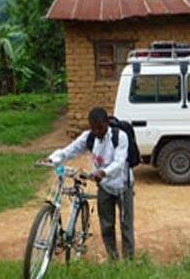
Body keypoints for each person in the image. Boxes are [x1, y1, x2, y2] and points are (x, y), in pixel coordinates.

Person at [48, 107, 135, 260]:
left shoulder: (119, 136)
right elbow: (71, 150)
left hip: (122, 185)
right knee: (106, 225)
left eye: (100, 128)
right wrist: (53, 158)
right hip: (104, 186)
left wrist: (103, 172)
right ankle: (113, 258)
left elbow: (120, 162)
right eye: (93, 128)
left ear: (107, 123)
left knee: (125, 225)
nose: (97, 132)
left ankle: (129, 260)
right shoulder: (89, 136)